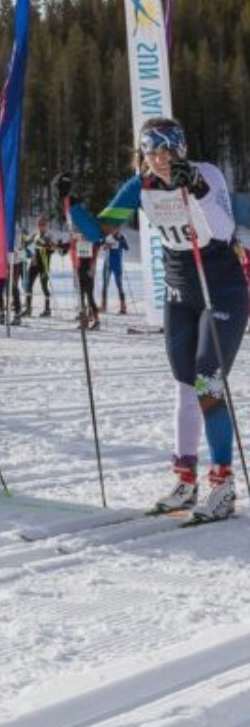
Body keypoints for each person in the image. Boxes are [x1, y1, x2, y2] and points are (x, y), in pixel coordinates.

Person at [62, 117, 248, 521]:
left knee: (208, 379)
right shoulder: (139, 186)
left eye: (167, 151)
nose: (160, 160)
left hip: (223, 290)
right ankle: (185, 480)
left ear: (180, 149)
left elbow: (221, 229)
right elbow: (100, 232)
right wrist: (73, 207)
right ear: (142, 155)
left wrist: (195, 188)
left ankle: (223, 484)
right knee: (185, 387)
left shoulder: (207, 173)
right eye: (152, 152)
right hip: (180, 293)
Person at [22, 215, 57, 318]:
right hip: (34, 263)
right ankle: (28, 309)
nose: (40, 226)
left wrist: (46, 244)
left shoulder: (49, 235)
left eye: (42, 224)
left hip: (44, 264)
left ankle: (47, 309)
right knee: (28, 285)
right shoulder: (35, 234)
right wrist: (25, 240)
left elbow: (52, 249)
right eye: (38, 224)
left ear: (46, 225)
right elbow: (28, 245)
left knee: (44, 286)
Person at [69, 229, 101, 330]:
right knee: (81, 298)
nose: (80, 236)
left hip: (88, 272)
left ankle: (97, 321)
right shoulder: (75, 243)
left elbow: (97, 246)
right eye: (79, 235)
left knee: (90, 298)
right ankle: (84, 321)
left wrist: (92, 268)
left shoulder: (91, 243)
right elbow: (67, 247)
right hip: (79, 272)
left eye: (82, 235)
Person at [101, 229, 130, 314]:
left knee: (119, 284)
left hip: (117, 265)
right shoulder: (107, 237)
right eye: (113, 229)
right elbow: (102, 246)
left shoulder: (121, 236)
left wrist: (121, 240)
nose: (114, 231)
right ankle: (104, 305)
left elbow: (127, 248)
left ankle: (123, 307)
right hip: (107, 264)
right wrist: (106, 245)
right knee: (105, 284)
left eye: (116, 229)